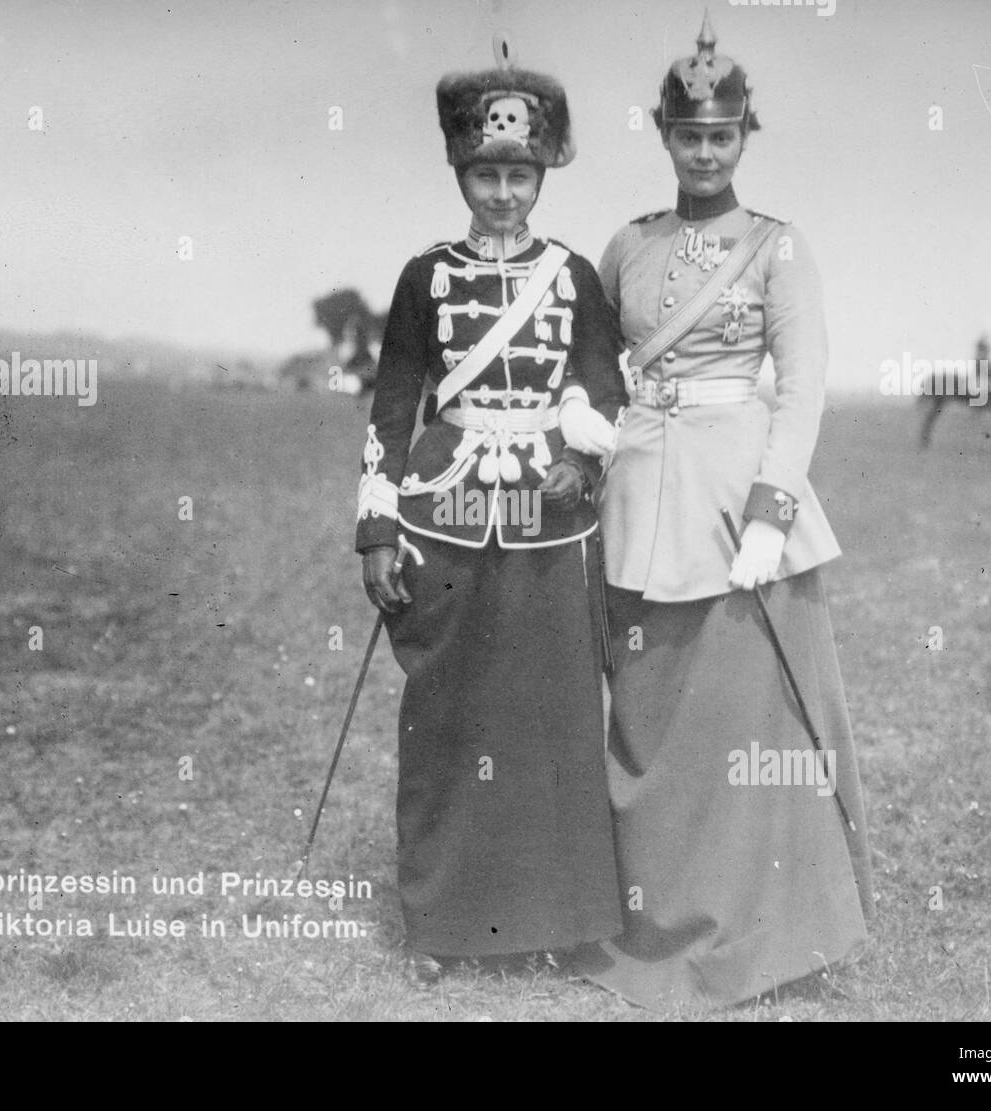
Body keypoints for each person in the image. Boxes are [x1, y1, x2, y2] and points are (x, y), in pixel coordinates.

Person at [576, 13, 874, 1011]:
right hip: (640, 496)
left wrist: (767, 513)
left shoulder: (779, 248)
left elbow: (801, 388)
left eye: (724, 134)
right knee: (650, 720)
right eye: (688, 133)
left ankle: (762, 935)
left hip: (740, 501)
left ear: (746, 136)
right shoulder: (627, 244)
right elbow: (594, 367)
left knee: (745, 730)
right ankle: (647, 916)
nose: (705, 151)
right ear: (663, 134)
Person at [355, 40, 625, 978]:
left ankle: (561, 917)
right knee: (449, 715)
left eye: (519, 173)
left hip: (553, 522)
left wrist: (583, 470)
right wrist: (377, 528)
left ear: (542, 174)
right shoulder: (424, 277)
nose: (503, 192)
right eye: (485, 173)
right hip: (445, 514)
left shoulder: (575, 276)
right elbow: (394, 407)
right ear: (460, 170)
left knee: (554, 716)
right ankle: (443, 924)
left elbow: (606, 391)